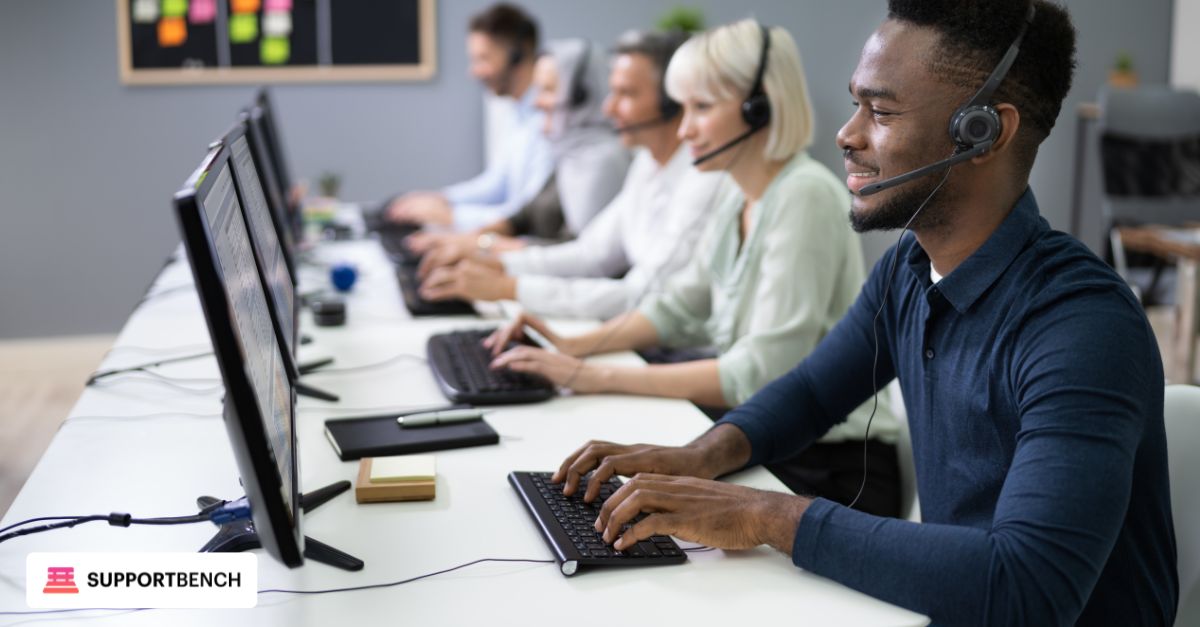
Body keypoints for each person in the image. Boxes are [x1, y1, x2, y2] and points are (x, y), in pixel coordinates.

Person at [545, 2, 1179, 626]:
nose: (847, 134)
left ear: (984, 131)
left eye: (880, 110)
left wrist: (763, 514)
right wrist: (700, 456)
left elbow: (1028, 587)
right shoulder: (908, 269)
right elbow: (815, 390)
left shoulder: (1082, 327)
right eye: (857, 104)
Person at [487, 19, 902, 515]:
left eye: (700, 108)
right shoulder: (738, 192)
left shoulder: (803, 196)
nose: (683, 130)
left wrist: (590, 374)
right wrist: (573, 346)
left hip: (830, 469)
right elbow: (677, 308)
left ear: (759, 107)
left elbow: (761, 372)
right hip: (763, 440)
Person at [413, 30, 723, 319]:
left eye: (625, 94)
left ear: (673, 104)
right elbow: (590, 253)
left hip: (653, 333)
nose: (609, 107)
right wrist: (494, 263)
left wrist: (508, 285)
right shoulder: (647, 163)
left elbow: (644, 294)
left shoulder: (701, 179)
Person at [405, 39, 632, 271]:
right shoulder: (571, 149)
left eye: (548, 90)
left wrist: (485, 248)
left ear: (581, 95)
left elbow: (580, 254)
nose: (536, 102)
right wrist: (465, 240)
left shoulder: (603, 160)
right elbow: (525, 215)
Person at [386, 3, 554, 231]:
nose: (473, 71)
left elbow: (525, 213)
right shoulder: (518, 112)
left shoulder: (549, 118)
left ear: (518, 55)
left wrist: (451, 215)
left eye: (483, 59)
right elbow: (497, 185)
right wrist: (441, 199)